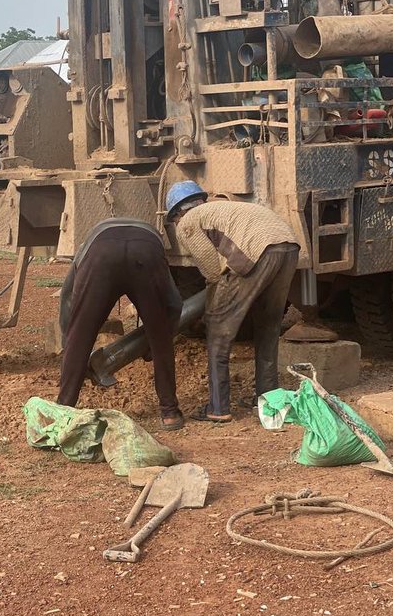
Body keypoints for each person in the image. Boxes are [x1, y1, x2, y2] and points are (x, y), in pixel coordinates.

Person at [166, 181, 300, 423]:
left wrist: (214, 305)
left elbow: (211, 270)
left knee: (218, 330)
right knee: (268, 326)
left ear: (177, 213)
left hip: (258, 250)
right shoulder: (224, 209)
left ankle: (218, 408)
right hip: (289, 246)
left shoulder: (188, 221)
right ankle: (268, 399)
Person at [57, 218, 185, 430]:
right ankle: (169, 412)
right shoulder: (154, 240)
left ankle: (63, 410)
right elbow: (174, 302)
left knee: (79, 338)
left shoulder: (89, 242)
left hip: (101, 255)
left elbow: (68, 296)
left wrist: (68, 336)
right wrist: (160, 337)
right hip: (145, 254)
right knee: (161, 339)